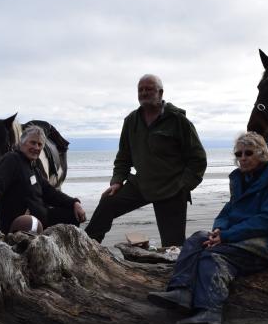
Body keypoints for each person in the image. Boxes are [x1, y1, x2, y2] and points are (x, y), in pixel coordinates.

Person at [147, 131, 268, 324]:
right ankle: (180, 292)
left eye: (248, 153)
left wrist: (226, 236)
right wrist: (218, 230)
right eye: (239, 154)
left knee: (213, 255)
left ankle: (210, 311)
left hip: (266, 243)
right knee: (197, 239)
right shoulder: (240, 178)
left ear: (261, 153)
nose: (242, 158)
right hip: (238, 235)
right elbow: (229, 209)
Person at [85, 74, 207, 247]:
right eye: (140, 89)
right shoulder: (131, 121)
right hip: (141, 184)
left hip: (171, 188)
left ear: (160, 92)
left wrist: (183, 186)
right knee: (108, 202)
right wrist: (117, 181)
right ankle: (86, 246)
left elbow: (198, 159)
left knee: (173, 246)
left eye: (148, 89)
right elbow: (123, 157)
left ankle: (172, 271)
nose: (143, 93)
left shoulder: (178, 121)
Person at [0, 126, 86, 233]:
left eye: (39, 144)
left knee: (73, 214)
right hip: (21, 224)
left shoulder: (33, 168)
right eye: (33, 143)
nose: (37, 147)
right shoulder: (12, 160)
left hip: (42, 218)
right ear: (21, 142)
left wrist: (74, 203)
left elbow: (50, 193)